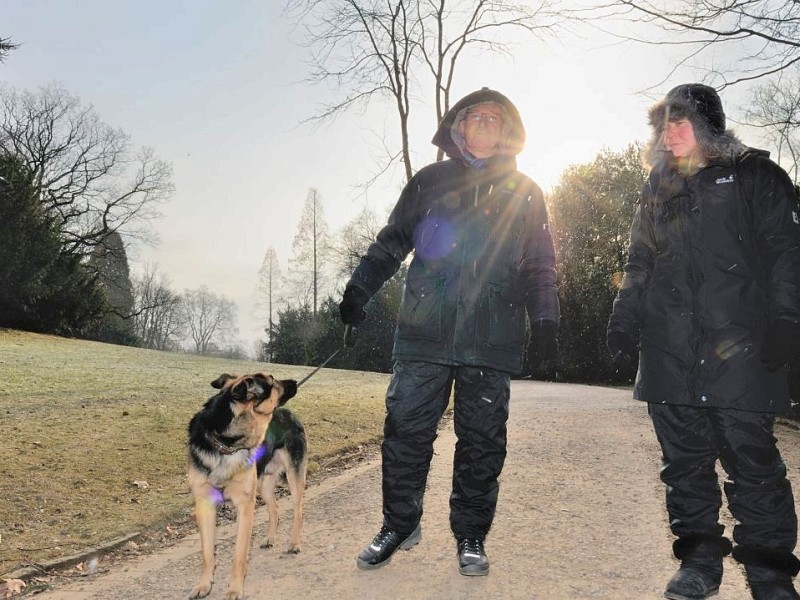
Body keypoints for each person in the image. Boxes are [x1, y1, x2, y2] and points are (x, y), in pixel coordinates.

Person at [338, 87, 559, 576]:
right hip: (425, 331)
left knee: (482, 442)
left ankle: (471, 534)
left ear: (508, 131)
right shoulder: (429, 181)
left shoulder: (527, 192)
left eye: (493, 118)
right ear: (458, 127)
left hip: (491, 335)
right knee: (405, 432)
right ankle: (399, 524)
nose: (483, 123)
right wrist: (358, 292)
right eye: (473, 117)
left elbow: (541, 262)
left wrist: (545, 320)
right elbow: (391, 242)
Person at [607, 83, 800, 600]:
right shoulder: (657, 186)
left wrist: (788, 321)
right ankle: (698, 560)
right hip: (668, 349)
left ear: (708, 124)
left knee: (752, 462)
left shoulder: (759, 177)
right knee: (684, 463)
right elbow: (639, 260)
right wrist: (623, 317)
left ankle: (770, 571)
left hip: (741, 349)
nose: (668, 134)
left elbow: (786, 254)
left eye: (679, 121)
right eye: (662, 124)